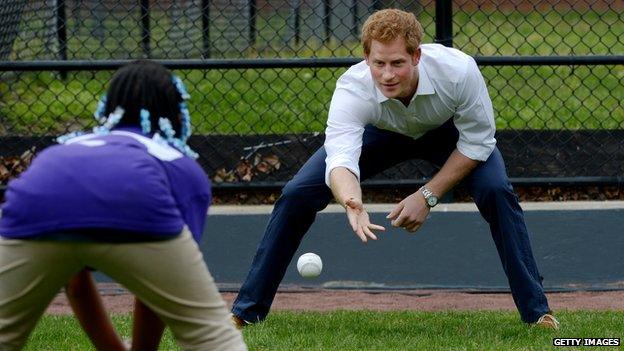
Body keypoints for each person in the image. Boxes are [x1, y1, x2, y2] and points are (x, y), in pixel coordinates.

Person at [231, 9, 559, 330]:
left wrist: (428, 195)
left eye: (398, 63)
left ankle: (537, 314)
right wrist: (350, 200)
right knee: (296, 194)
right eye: (379, 63)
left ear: (416, 56)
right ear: (366, 58)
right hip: (382, 133)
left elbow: (477, 143)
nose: (387, 75)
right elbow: (340, 159)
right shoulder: (352, 87)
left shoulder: (458, 71)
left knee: (496, 191)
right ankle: (246, 312)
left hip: (449, 134)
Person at [0, 60, 248, 351]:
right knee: (214, 340)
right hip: (139, 201)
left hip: (34, 203)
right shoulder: (179, 164)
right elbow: (159, 287)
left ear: (108, 106)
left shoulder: (67, 148)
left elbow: (76, 282)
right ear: (175, 112)